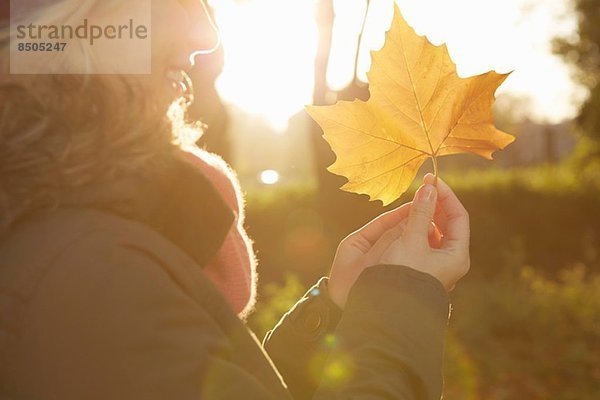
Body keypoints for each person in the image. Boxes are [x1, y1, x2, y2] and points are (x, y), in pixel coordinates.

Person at [0, 1, 470, 399]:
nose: (206, 31)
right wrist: (400, 302)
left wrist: (336, 311)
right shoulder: (89, 274)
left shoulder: (74, 242)